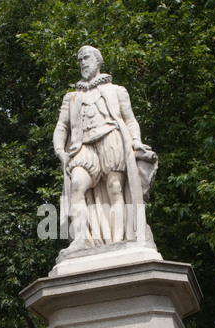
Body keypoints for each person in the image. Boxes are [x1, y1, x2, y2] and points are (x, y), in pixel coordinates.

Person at [53, 45, 158, 253]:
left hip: (111, 139)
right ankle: (80, 239)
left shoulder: (117, 90)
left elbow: (130, 120)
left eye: (86, 58)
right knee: (76, 186)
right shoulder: (71, 97)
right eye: (79, 60)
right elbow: (61, 127)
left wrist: (136, 141)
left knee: (115, 189)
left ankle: (118, 240)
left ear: (98, 61)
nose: (82, 62)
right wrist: (60, 151)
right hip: (82, 147)